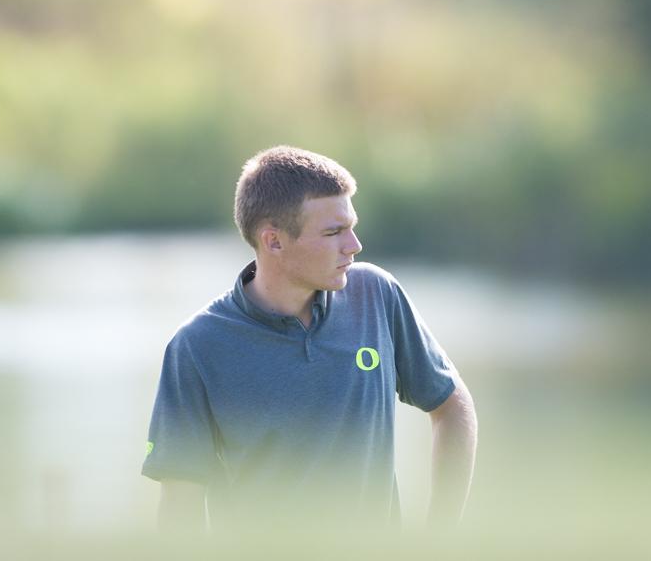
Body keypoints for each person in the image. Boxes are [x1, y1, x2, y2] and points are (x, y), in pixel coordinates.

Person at [141, 145, 477, 529]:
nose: (354, 245)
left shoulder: (376, 295)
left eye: (351, 226)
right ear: (274, 242)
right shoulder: (196, 347)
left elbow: (453, 407)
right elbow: (178, 511)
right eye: (334, 232)